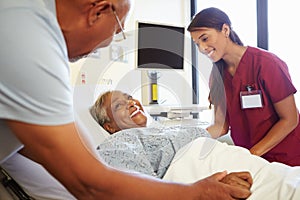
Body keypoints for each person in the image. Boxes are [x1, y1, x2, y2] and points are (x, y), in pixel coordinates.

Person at [0, 1, 251, 200]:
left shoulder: (26, 22)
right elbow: (91, 183)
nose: (114, 39)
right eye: (119, 28)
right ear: (98, 10)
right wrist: (196, 193)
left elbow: (81, 163)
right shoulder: (27, 41)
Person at [90, 90, 300, 200]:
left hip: (241, 164)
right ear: (109, 126)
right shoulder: (117, 143)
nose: (131, 103)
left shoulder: (167, 130)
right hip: (205, 175)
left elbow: (217, 129)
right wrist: (202, 190)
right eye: (119, 105)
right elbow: (134, 191)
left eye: (130, 97)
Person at [187, 7, 300, 166]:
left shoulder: (267, 64)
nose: (202, 49)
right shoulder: (217, 76)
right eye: (197, 44)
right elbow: (220, 126)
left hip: (286, 160)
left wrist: (251, 155)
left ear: (225, 30)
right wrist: (187, 139)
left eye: (205, 39)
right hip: (251, 161)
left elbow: (290, 119)